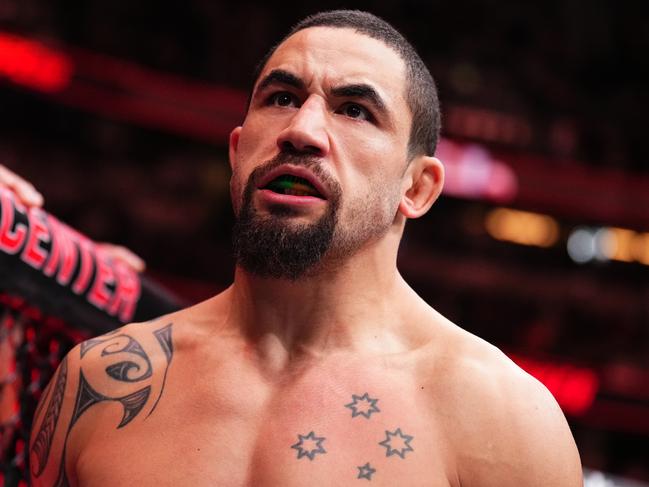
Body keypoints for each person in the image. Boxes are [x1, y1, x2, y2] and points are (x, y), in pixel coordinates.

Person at [28, 10, 582, 486]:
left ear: (416, 188)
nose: (303, 129)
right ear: (237, 153)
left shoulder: (503, 417)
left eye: (354, 110)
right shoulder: (97, 380)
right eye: (282, 97)